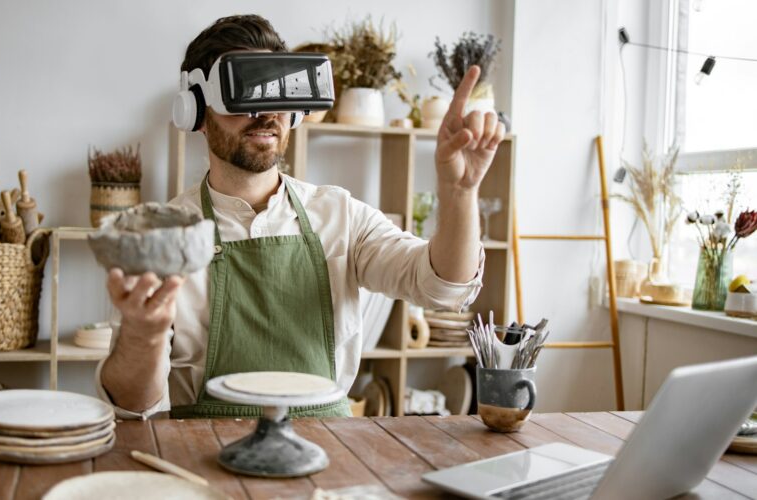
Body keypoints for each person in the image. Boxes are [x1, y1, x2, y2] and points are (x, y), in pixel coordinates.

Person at [97, 14, 505, 419]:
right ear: (196, 111)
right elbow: (134, 409)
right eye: (246, 91)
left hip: (327, 456)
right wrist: (143, 336)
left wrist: (460, 193)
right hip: (204, 458)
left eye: (278, 92)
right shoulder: (163, 239)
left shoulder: (340, 215)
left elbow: (444, 288)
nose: (267, 111)